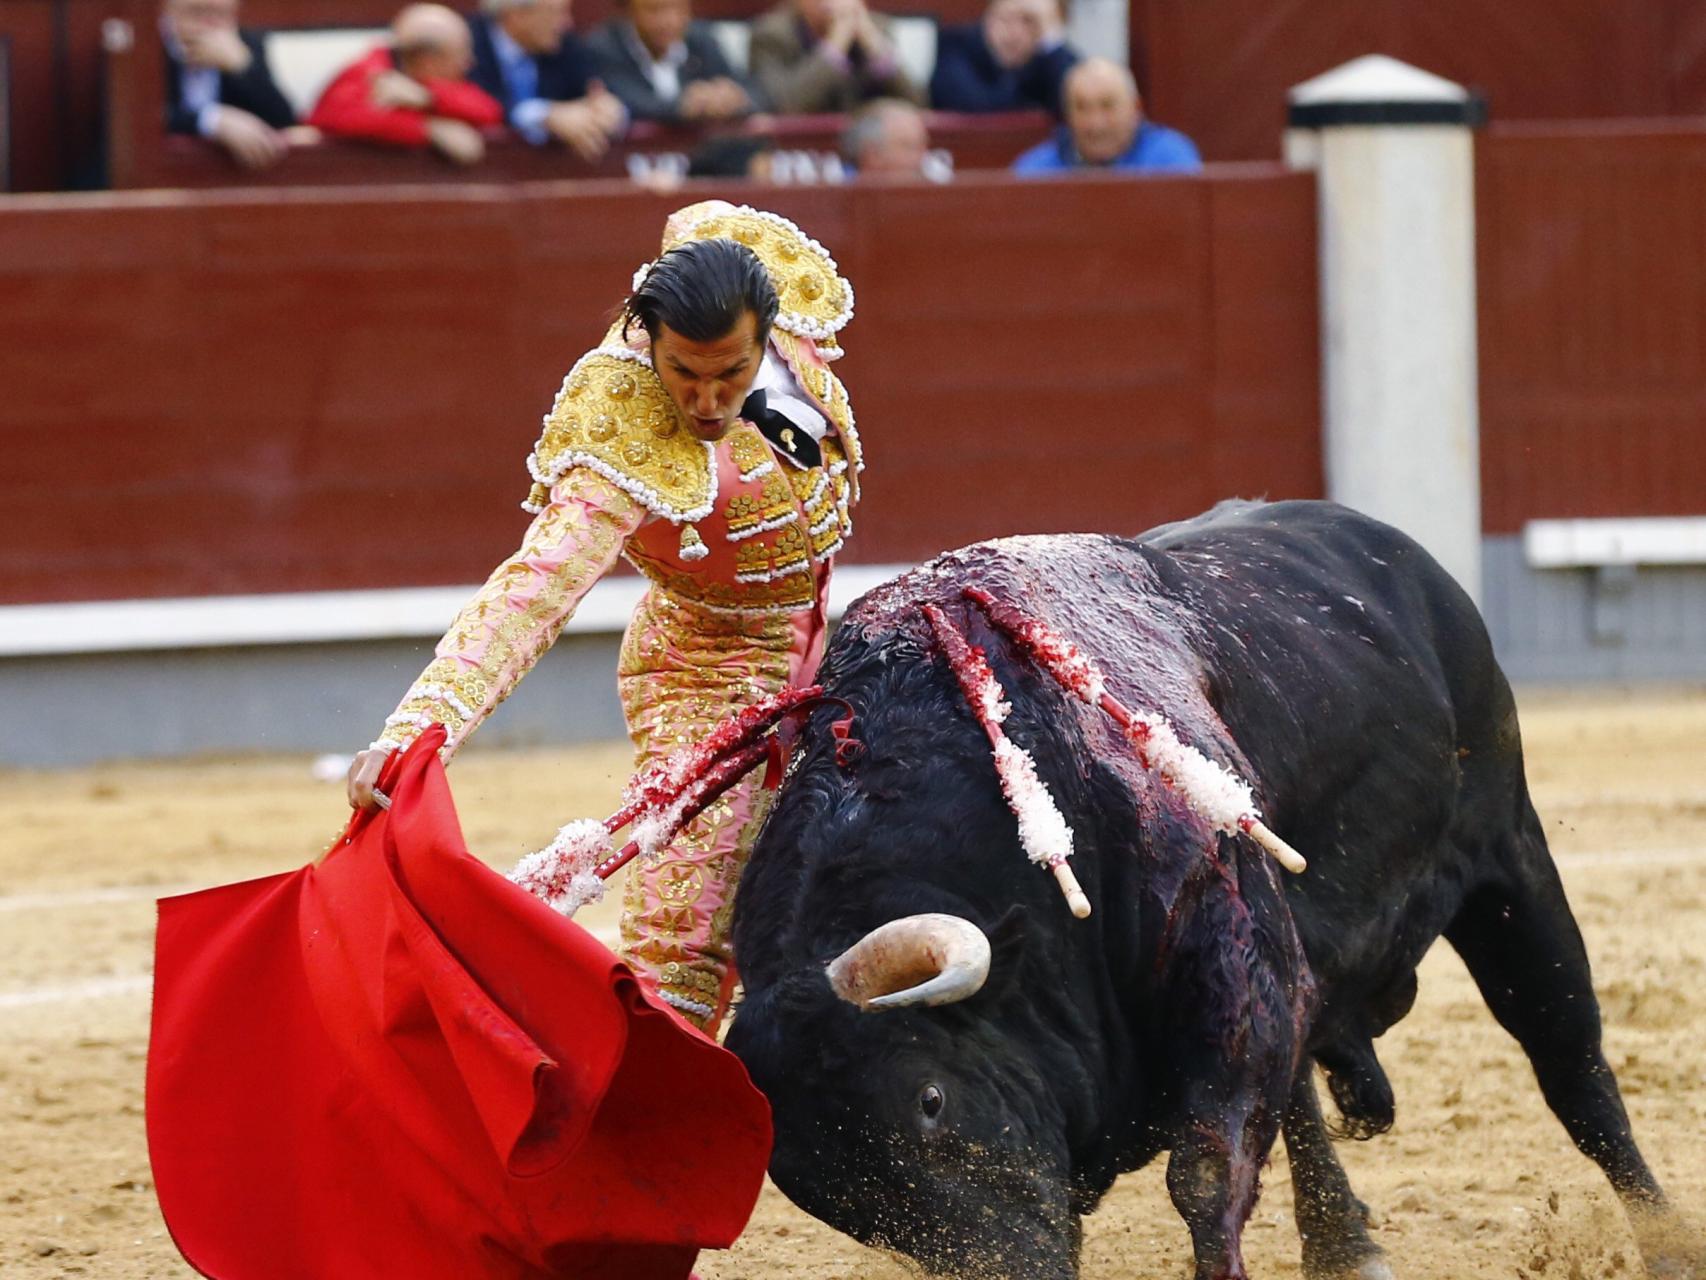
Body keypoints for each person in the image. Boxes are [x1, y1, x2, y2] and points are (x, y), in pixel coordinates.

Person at [346, 202, 862, 1035]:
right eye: (681, 372)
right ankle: (663, 1125)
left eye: (728, 374)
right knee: (684, 924)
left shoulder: (770, 294)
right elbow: (533, 590)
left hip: (837, 645)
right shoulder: (621, 425)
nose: (703, 400)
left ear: (768, 334)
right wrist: (421, 727)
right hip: (707, 667)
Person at [308, 4, 502, 165]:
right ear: (429, 61)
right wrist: (429, 129)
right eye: (461, 54)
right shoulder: (369, 71)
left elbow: (488, 110)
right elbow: (339, 117)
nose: (469, 62)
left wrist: (428, 98)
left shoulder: (431, 83)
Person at [467, 0, 627, 161]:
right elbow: (478, 103)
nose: (567, 23)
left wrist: (607, 109)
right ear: (517, 16)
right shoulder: (468, 43)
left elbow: (592, 90)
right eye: (557, 12)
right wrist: (544, 116)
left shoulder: (564, 43)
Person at [160, 0, 297, 169]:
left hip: (226, 174)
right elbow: (135, 118)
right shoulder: (139, 45)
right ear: (165, 9)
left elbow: (283, 120)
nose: (209, 25)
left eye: (221, 14)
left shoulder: (245, 44)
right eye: (197, 12)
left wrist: (243, 68)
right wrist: (211, 121)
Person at [1013, 57, 1201, 176]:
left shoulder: (1170, 160)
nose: (1095, 124)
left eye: (1107, 106)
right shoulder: (1034, 172)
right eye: (1081, 108)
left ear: (1135, 108)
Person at [585, 0, 762, 125]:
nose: (669, 21)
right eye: (654, 10)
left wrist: (733, 97)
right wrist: (685, 104)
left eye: (678, 8)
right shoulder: (604, 48)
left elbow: (756, 92)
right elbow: (627, 101)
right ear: (629, 10)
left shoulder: (701, 40)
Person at [747, 0, 921, 116]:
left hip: (868, 146)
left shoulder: (876, 28)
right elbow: (784, 105)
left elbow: (917, 104)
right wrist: (835, 45)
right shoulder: (770, 35)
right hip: (801, 149)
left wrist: (875, 46)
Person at [929, 0, 1076, 117]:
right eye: (1006, 19)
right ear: (988, 17)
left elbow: (1077, 97)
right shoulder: (955, 46)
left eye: (1028, 22)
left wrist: (1050, 38)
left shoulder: (1045, 60)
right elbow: (980, 108)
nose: (1015, 33)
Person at [841, 97, 932, 179]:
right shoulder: (836, 191)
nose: (923, 157)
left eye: (922, 147)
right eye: (909, 147)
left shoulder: (934, 187)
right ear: (872, 154)